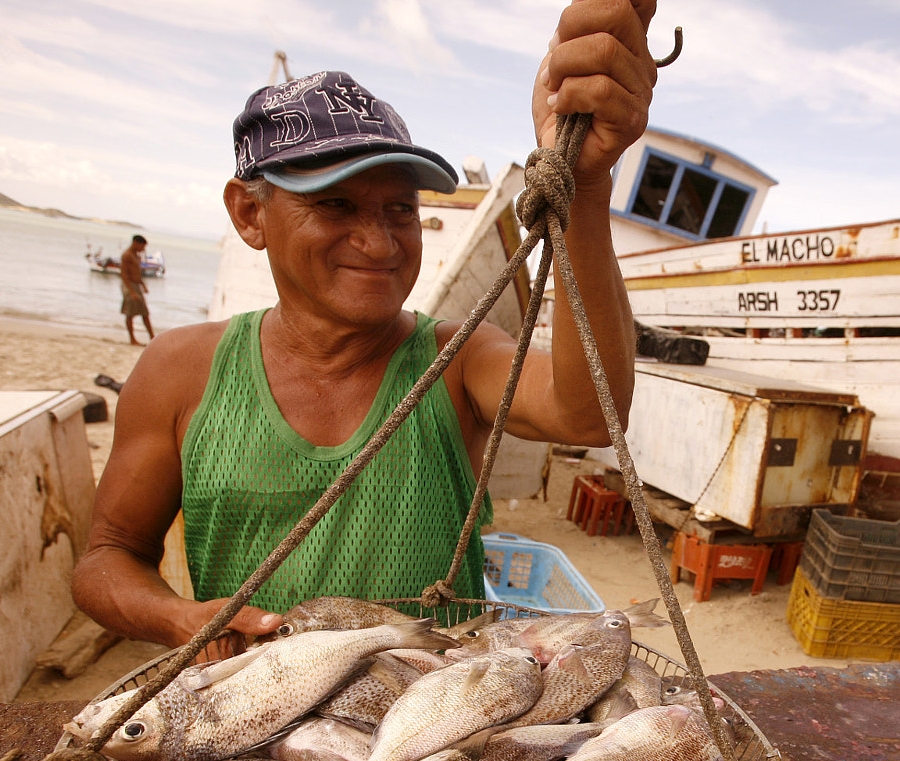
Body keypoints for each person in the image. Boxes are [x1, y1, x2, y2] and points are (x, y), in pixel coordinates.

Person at [73, 0, 657, 648]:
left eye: (400, 210)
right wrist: (182, 619)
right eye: (337, 205)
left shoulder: (457, 359)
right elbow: (106, 559)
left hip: (435, 717)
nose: (379, 245)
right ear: (249, 213)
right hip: (265, 717)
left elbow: (588, 415)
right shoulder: (180, 371)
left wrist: (588, 181)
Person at [119, 235, 155, 344]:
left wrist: (142, 284)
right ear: (136, 243)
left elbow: (136, 273)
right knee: (130, 314)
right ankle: (132, 339)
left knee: (145, 313)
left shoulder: (135, 256)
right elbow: (124, 275)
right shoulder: (127, 255)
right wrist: (132, 291)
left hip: (136, 285)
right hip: (129, 286)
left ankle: (152, 338)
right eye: (142, 246)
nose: (143, 249)